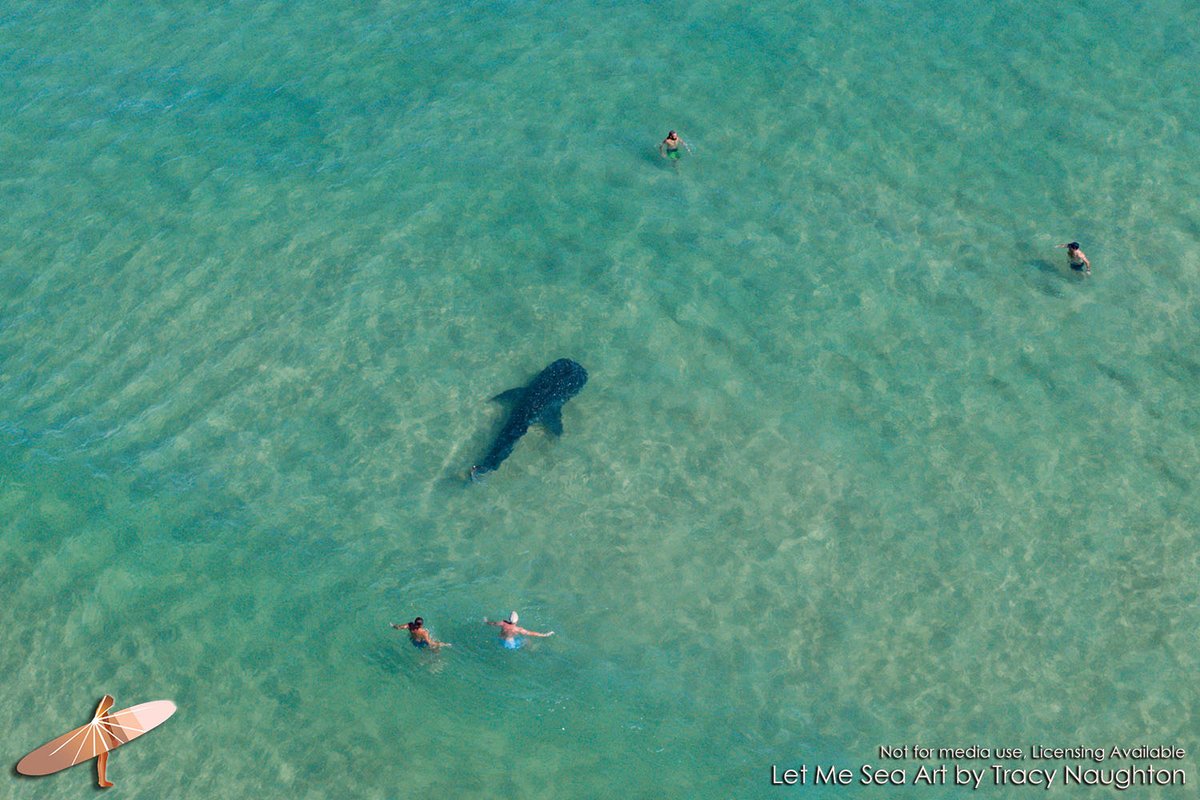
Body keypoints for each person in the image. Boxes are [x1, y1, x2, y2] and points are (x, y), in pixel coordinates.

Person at [484, 611, 554, 650]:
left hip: (500, 640)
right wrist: (544, 635)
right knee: (526, 641)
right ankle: (532, 649)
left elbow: (493, 623)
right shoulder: (518, 629)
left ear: (509, 619)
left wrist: (486, 621)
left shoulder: (503, 623)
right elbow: (531, 633)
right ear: (517, 621)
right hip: (510, 645)